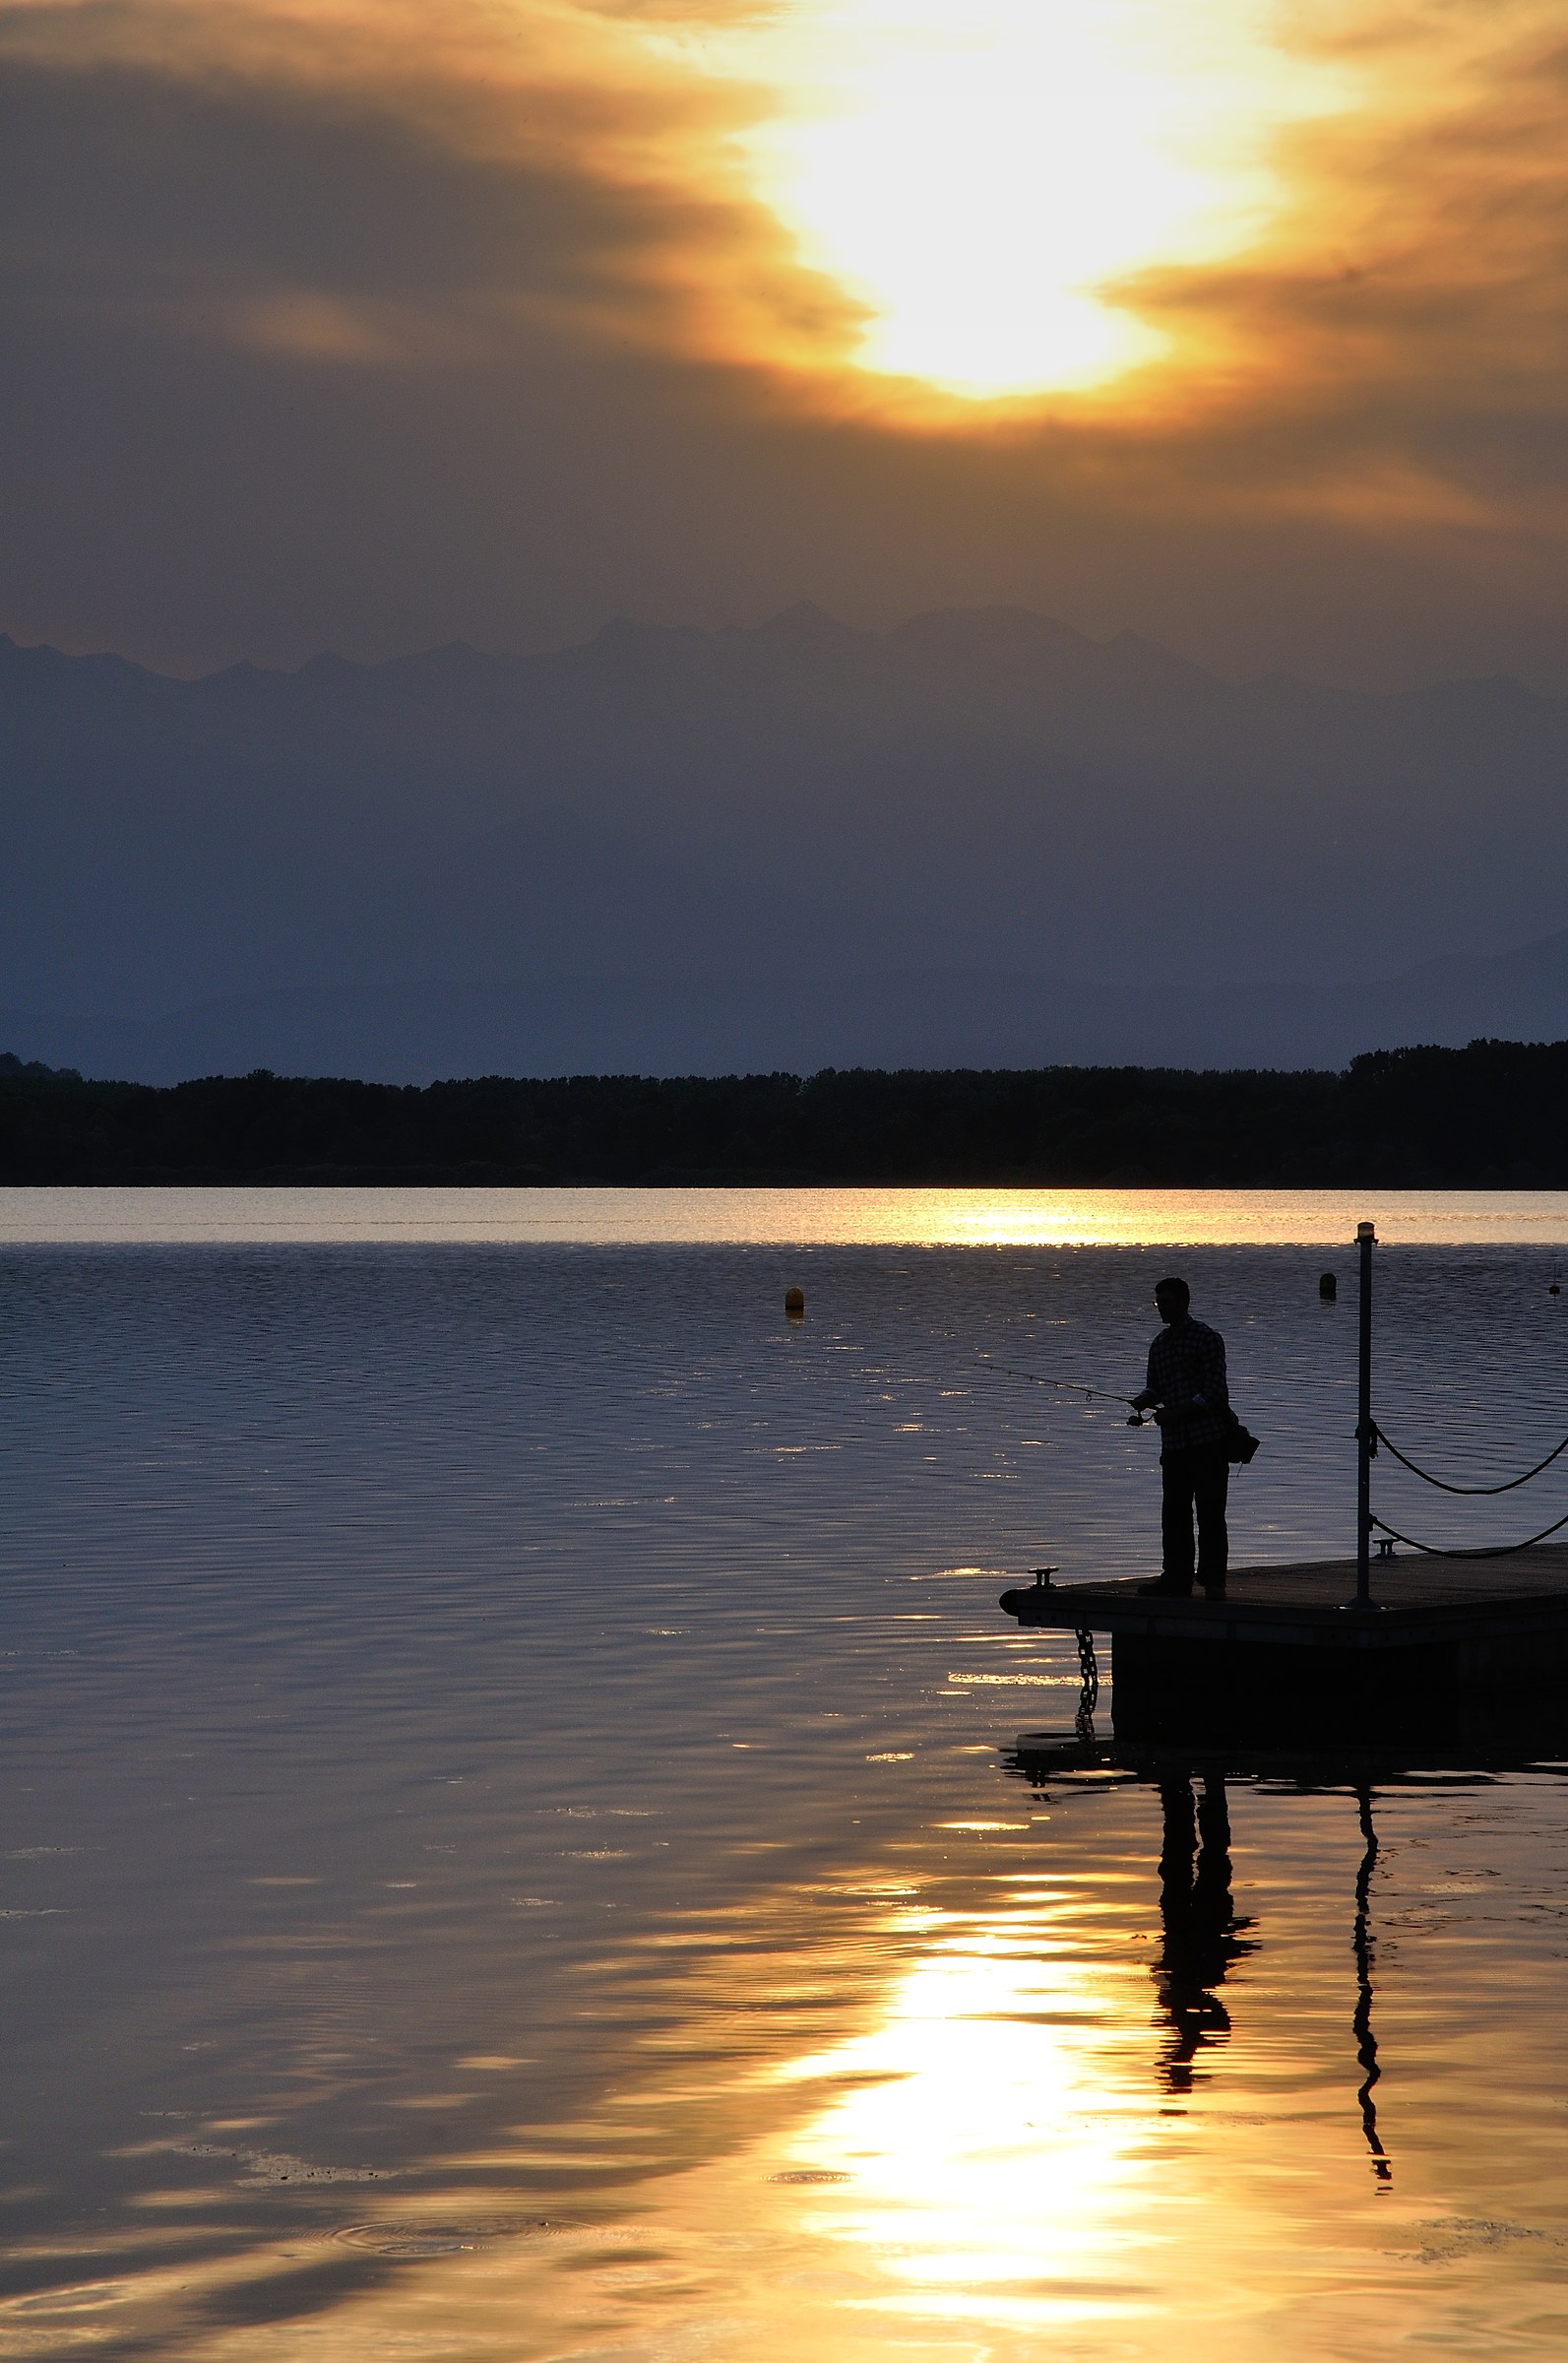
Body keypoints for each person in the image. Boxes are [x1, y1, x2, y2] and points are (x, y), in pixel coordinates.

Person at [1130, 1275, 1230, 1598]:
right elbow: (1156, 1386)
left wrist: (1177, 1412)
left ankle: (1213, 1582)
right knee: (1174, 1515)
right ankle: (1176, 1578)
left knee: (1210, 1514)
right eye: (1158, 1303)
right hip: (1173, 1446)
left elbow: (1214, 1393)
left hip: (1208, 1443)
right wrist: (1145, 1399)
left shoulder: (1207, 1339)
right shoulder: (1158, 1345)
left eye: (1167, 1302)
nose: (1161, 1308)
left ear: (1184, 1303)